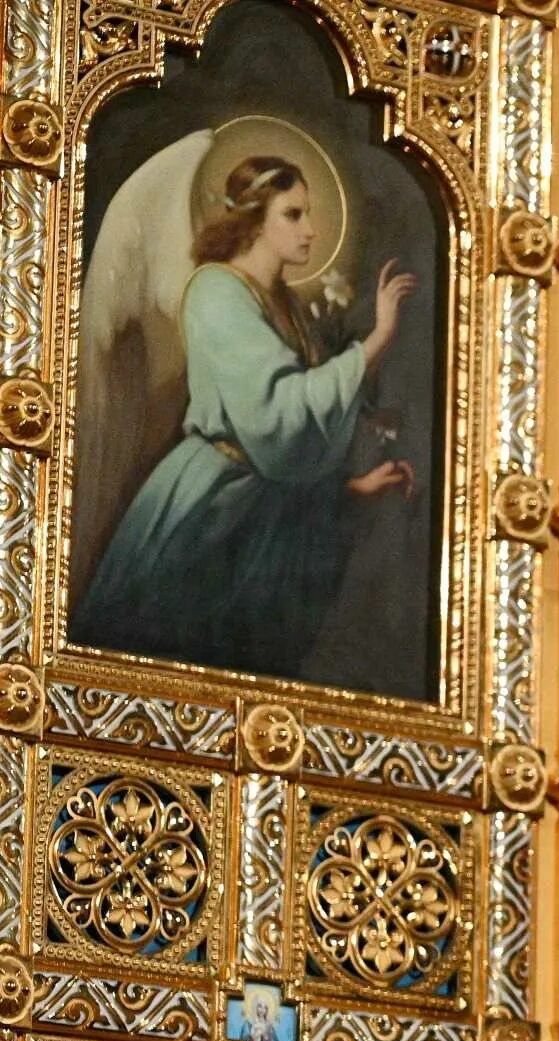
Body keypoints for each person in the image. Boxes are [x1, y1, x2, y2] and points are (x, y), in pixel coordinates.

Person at [71, 154, 418, 679]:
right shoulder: (217, 292)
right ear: (256, 219)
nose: (311, 230)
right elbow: (276, 412)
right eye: (294, 214)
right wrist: (376, 341)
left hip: (260, 511)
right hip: (207, 511)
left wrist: (351, 490)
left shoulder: (286, 305)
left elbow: (288, 446)